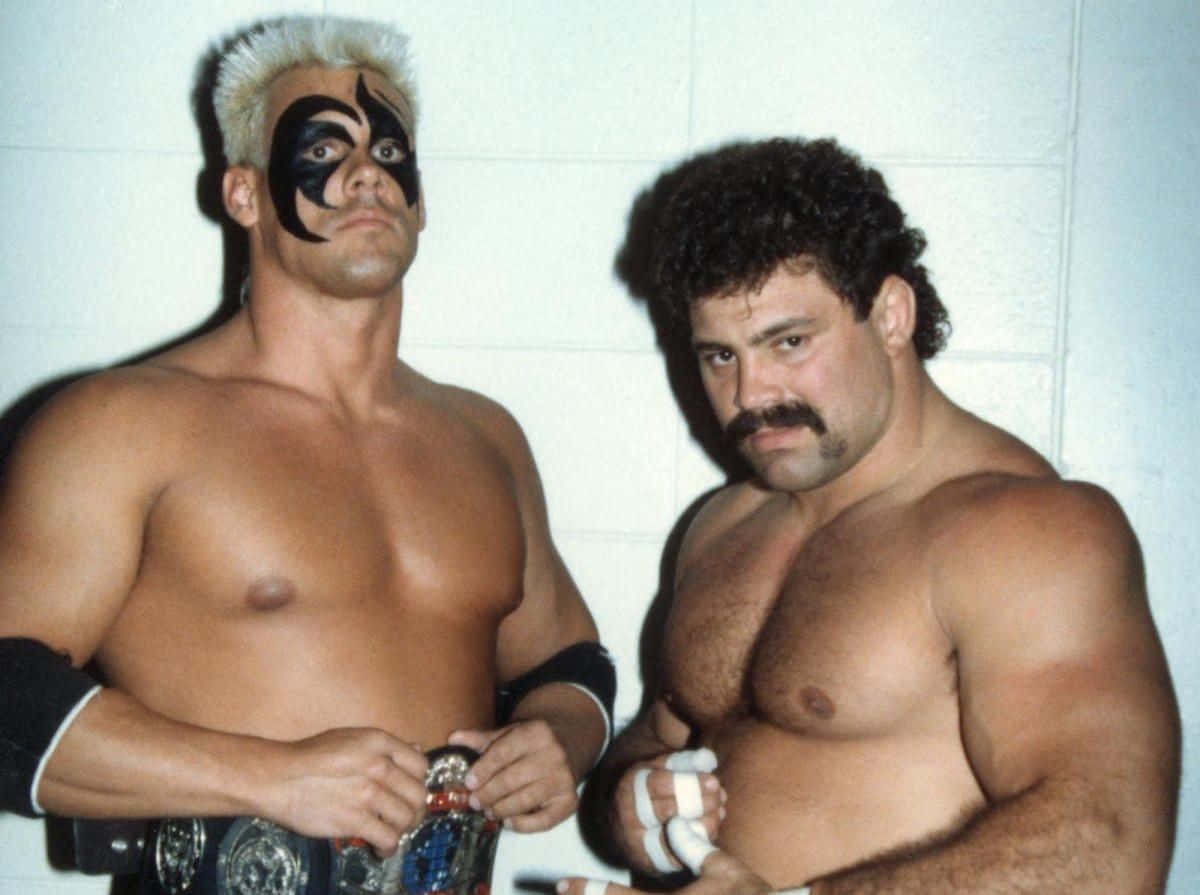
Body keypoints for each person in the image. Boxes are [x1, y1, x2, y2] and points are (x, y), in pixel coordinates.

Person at [0, 16, 614, 894]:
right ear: (245, 194)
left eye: (390, 151)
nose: (368, 173)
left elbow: (567, 662)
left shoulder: (486, 438)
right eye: (324, 149)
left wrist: (562, 738)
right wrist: (269, 777)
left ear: (421, 199)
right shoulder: (123, 422)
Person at [562, 138, 1179, 895]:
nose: (751, 395)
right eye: (720, 356)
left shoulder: (1026, 531)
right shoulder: (722, 525)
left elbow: (1108, 847)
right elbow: (663, 732)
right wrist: (631, 804)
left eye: (789, 342)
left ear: (891, 315)